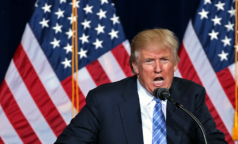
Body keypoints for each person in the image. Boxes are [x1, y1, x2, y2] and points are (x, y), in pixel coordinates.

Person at [55, 29, 227, 144]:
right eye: (149, 61)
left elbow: (212, 139)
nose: (158, 68)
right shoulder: (104, 100)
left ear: (175, 64)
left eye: (165, 60)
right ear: (135, 66)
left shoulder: (191, 94)